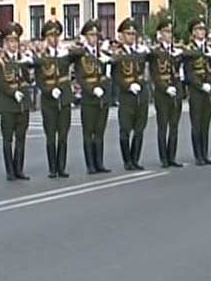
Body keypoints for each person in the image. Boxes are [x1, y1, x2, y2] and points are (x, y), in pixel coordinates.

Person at [0, 22, 32, 180]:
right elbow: (1, 82)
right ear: (5, 43)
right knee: (8, 139)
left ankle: (19, 168)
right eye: (10, 42)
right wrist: (13, 92)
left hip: (23, 104)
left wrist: (27, 65)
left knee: (21, 137)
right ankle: (10, 171)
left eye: (16, 41)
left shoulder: (22, 58)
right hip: (8, 104)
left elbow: (28, 79)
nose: (14, 45)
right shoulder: (1, 61)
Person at [70, 19, 112, 174]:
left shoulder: (102, 54)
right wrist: (92, 89)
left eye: (96, 35)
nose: (94, 38)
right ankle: (90, 165)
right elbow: (81, 77)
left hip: (103, 98)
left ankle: (99, 163)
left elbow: (107, 74)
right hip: (89, 98)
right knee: (89, 132)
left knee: (100, 132)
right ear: (85, 37)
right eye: (91, 35)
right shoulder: (81, 54)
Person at [33, 16, 73, 178]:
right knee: (51, 135)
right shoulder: (42, 57)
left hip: (64, 98)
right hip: (49, 101)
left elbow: (80, 52)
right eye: (50, 36)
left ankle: (61, 167)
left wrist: (66, 51)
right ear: (46, 38)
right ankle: (52, 168)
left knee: (63, 135)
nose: (54, 39)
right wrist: (49, 91)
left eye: (56, 36)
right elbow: (39, 80)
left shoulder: (64, 54)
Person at [110, 18, 150, 170]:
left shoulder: (140, 52)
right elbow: (116, 76)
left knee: (139, 129)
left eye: (133, 34)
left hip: (141, 95)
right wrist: (127, 86)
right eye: (128, 33)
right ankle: (127, 161)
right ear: (121, 35)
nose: (131, 37)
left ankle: (135, 159)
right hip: (127, 97)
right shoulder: (118, 54)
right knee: (125, 130)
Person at [148, 15, 184, 168]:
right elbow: (155, 74)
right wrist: (165, 87)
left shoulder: (177, 51)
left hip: (176, 91)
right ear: (160, 34)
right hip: (162, 93)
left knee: (174, 126)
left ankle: (172, 156)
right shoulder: (155, 52)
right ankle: (163, 158)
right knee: (163, 126)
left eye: (170, 32)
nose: (169, 35)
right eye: (166, 32)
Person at [182, 15, 211, 166]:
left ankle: (205, 153)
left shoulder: (210, 48)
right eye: (198, 29)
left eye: (203, 29)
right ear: (192, 32)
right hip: (197, 90)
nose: (201, 32)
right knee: (196, 123)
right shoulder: (189, 49)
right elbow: (189, 72)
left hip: (209, 90)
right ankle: (198, 155)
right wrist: (200, 85)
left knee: (206, 123)